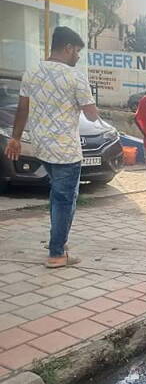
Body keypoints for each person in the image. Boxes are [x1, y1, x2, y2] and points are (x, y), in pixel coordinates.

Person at [4, 26, 100, 268]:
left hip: (42, 147)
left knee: (63, 196)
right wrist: (86, 102)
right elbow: (91, 115)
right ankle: (57, 253)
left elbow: (22, 109)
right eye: (77, 51)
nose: (78, 56)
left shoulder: (32, 72)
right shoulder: (75, 76)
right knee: (64, 200)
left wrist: (15, 138)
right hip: (66, 152)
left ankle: (60, 240)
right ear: (67, 48)